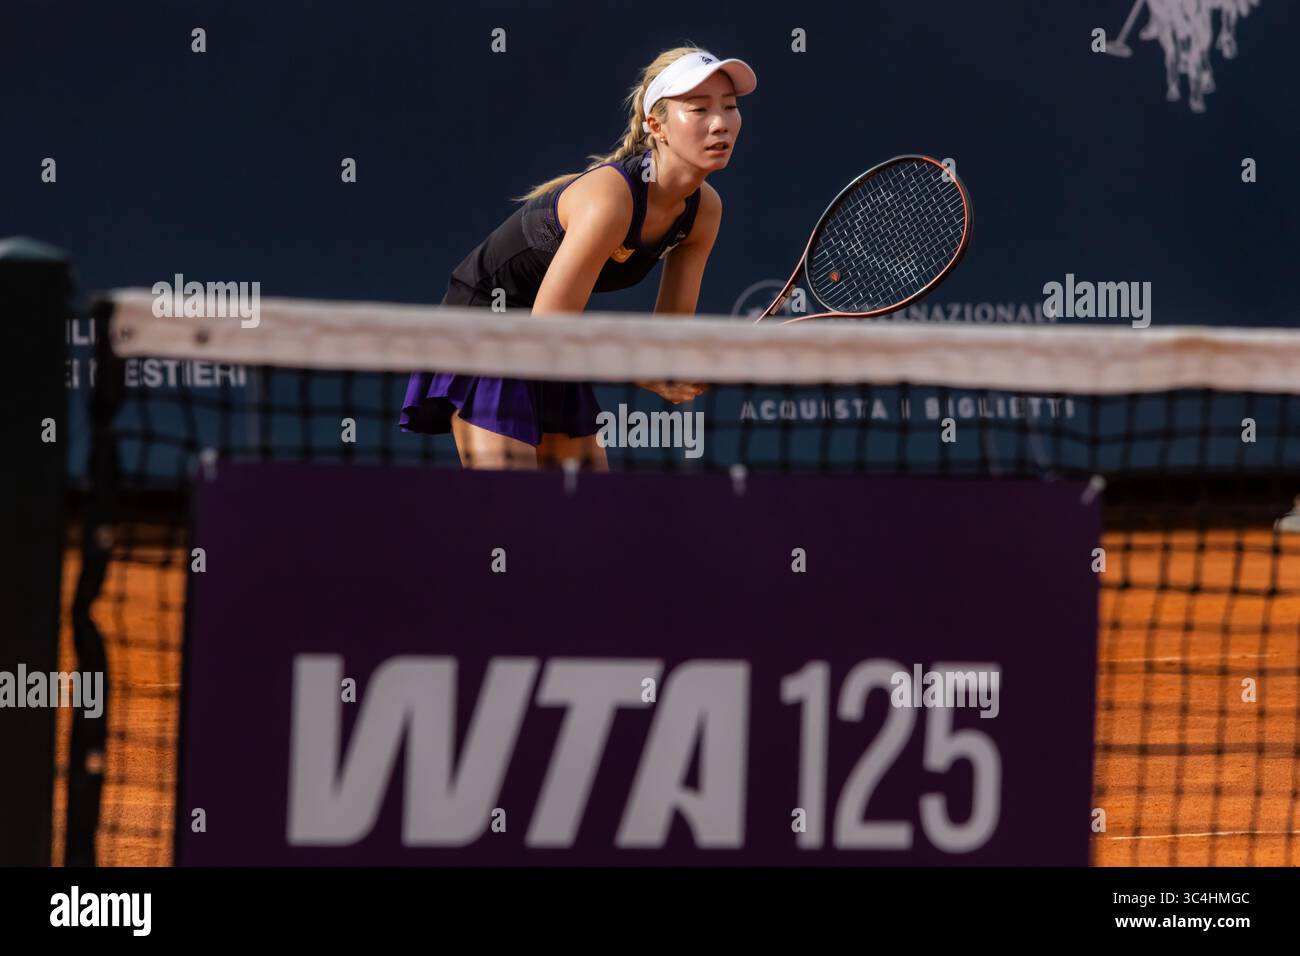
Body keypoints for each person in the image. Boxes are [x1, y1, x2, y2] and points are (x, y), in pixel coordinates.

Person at [400, 46, 757, 469]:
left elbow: (669, 336)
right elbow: (550, 331)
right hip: (486, 333)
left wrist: (684, 365)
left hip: (554, 341)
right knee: (511, 516)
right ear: (656, 126)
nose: (721, 123)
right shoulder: (610, 200)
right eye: (699, 110)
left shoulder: (704, 211)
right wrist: (643, 372)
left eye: (730, 107)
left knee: (584, 515)